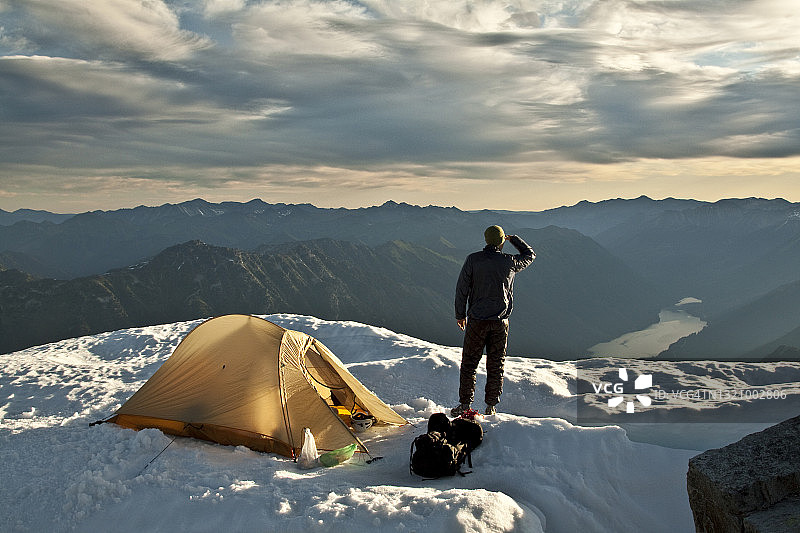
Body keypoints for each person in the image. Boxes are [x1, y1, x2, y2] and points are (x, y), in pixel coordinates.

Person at [452, 225, 535, 417]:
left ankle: (465, 405)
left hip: (477, 321)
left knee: (470, 363)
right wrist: (514, 239)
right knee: (496, 364)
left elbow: (462, 288)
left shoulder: (473, 260)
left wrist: (460, 314)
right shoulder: (510, 261)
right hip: (500, 322)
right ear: (501, 241)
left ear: (486, 240)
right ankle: (491, 407)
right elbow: (530, 255)